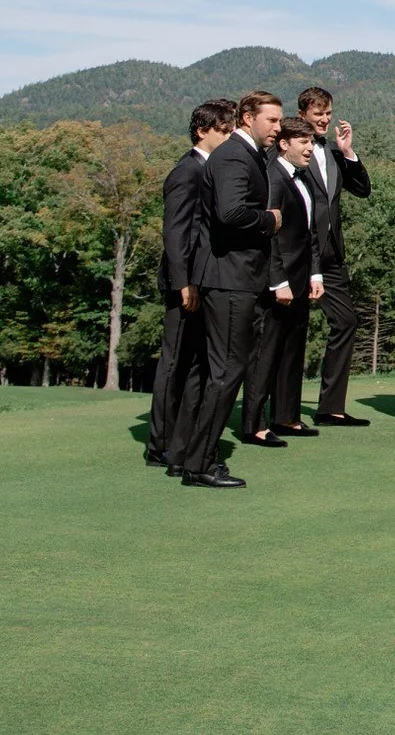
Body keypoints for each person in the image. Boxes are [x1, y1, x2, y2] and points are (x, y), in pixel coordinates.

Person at [169, 91, 284, 489]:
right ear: (247, 117)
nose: (278, 127)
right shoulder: (234, 156)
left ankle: (182, 455)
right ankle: (200, 463)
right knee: (226, 371)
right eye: (271, 120)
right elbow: (231, 213)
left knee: (206, 370)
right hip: (230, 278)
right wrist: (269, 220)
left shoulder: (242, 154)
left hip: (226, 277)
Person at [145, 99, 235, 471]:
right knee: (175, 362)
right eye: (223, 131)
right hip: (184, 284)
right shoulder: (187, 172)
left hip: (201, 281)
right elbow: (176, 232)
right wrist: (183, 283)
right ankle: (160, 444)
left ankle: (179, 440)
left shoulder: (209, 169)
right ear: (202, 131)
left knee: (192, 361)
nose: (229, 138)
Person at [242, 115, 324, 446]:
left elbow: (310, 232)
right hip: (278, 284)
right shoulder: (272, 177)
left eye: (312, 142)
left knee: (292, 351)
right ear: (284, 144)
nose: (310, 148)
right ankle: (254, 425)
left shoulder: (304, 178)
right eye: (303, 142)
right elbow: (269, 235)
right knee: (265, 354)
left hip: (302, 280)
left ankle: (286, 417)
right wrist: (278, 281)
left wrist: (315, 273)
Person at [298, 86, 373, 427]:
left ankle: (330, 409)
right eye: (318, 114)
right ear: (302, 114)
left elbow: (362, 189)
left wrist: (348, 151)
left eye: (328, 113)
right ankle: (277, 412)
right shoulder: (287, 150)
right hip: (299, 253)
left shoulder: (332, 149)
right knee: (288, 330)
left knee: (346, 321)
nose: (325, 119)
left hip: (332, 254)